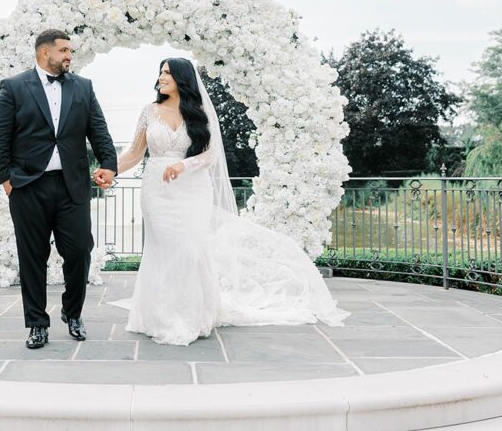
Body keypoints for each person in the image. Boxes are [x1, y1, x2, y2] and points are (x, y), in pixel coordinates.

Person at [110, 58, 348, 346]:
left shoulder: (199, 113)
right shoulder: (149, 111)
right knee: (163, 248)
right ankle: (160, 315)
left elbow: (210, 155)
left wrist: (183, 166)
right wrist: (110, 170)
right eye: (160, 72)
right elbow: (135, 153)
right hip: (157, 189)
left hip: (192, 188)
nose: (161, 77)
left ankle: (193, 314)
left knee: (191, 248)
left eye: (168, 73)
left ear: (182, 79)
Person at [0, 29, 118, 349]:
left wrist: (109, 164)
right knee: (32, 258)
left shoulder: (83, 88)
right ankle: (36, 324)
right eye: (64, 50)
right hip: (28, 187)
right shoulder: (14, 87)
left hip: (72, 186)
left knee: (79, 252)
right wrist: (5, 180)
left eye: (70, 51)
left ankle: (72, 312)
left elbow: (98, 130)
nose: (69, 56)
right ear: (45, 53)